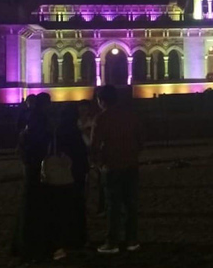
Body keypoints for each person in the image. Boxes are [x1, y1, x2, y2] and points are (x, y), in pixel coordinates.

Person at [91, 85, 143, 254]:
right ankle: (132, 240)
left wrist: (98, 164)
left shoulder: (101, 119)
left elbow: (94, 146)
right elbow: (140, 140)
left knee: (113, 206)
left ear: (101, 101)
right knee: (131, 205)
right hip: (131, 165)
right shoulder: (131, 116)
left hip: (112, 167)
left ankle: (112, 242)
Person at [12, 92, 52, 262]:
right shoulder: (41, 121)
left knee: (28, 203)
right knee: (36, 204)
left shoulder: (30, 119)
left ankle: (24, 241)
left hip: (30, 165)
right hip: (37, 166)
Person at [50, 104, 90, 261]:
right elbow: (81, 151)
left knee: (63, 207)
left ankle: (65, 238)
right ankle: (78, 238)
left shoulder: (58, 131)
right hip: (77, 172)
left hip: (63, 173)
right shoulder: (75, 131)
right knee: (78, 205)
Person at [78, 99, 105, 215]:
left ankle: (100, 206)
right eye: (82, 109)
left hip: (91, 153)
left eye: (85, 109)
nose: (84, 111)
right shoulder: (79, 122)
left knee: (97, 182)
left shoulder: (90, 121)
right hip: (82, 154)